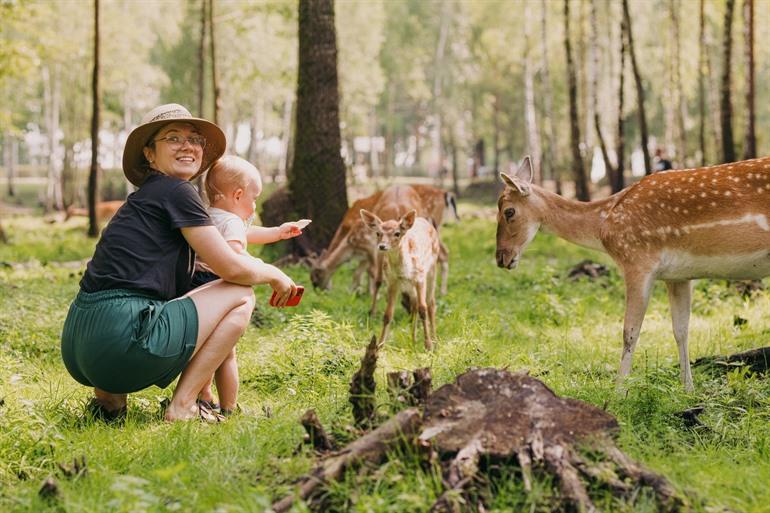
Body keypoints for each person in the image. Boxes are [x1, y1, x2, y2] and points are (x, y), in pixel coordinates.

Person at [60, 103, 302, 422]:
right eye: (173, 138)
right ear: (149, 154)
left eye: (195, 139)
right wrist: (272, 272)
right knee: (241, 293)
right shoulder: (177, 191)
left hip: (79, 343)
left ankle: (109, 402)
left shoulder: (143, 199)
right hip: (119, 341)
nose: (187, 145)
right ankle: (183, 404)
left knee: (150, 298)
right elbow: (231, 268)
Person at [192, 155, 305, 415]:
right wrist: (258, 265)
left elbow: (245, 232)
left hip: (195, 284)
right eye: (254, 199)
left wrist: (277, 232)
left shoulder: (209, 215)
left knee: (206, 348)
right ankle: (229, 407)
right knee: (226, 353)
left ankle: (203, 395)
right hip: (218, 284)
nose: (255, 205)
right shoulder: (231, 221)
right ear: (238, 195)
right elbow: (234, 252)